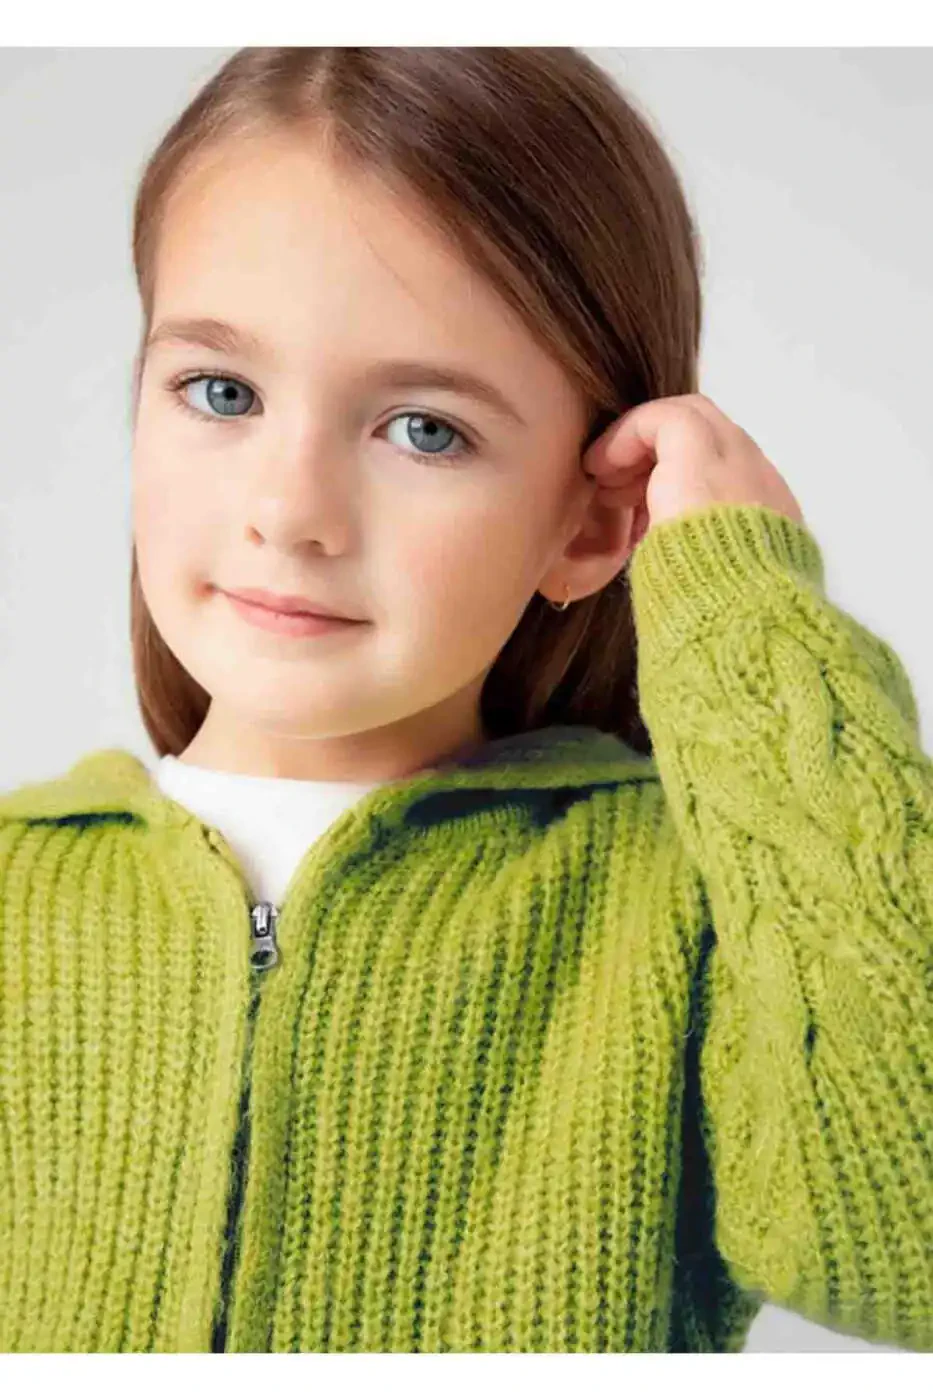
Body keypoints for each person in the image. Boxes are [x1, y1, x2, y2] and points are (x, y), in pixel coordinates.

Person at [0, 47, 930, 1355]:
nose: (291, 512)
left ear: (593, 522)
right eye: (222, 393)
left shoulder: (683, 911)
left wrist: (746, 614)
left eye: (425, 429)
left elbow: (905, 1237)